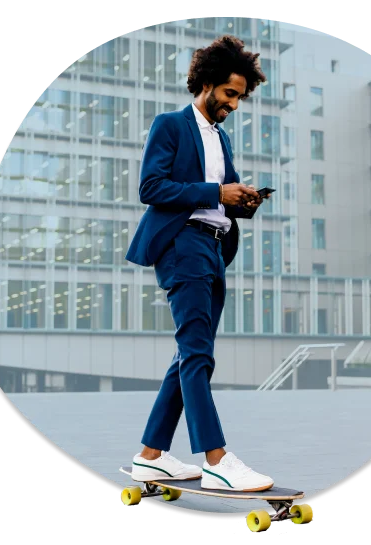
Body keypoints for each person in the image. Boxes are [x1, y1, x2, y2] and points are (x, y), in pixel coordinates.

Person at [125, 35, 274, 492]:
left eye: (239, 97)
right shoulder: (170, 125)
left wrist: (242, 198)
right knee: (197, 354)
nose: (234, 103)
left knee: (189, 354)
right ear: (207, 84)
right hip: (182, 244)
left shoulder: (221, 138)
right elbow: (151, 188)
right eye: (230, 93)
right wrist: (215, 193)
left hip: (214, 246)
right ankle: (217, 458)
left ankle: (150, 456)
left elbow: (223, 196)